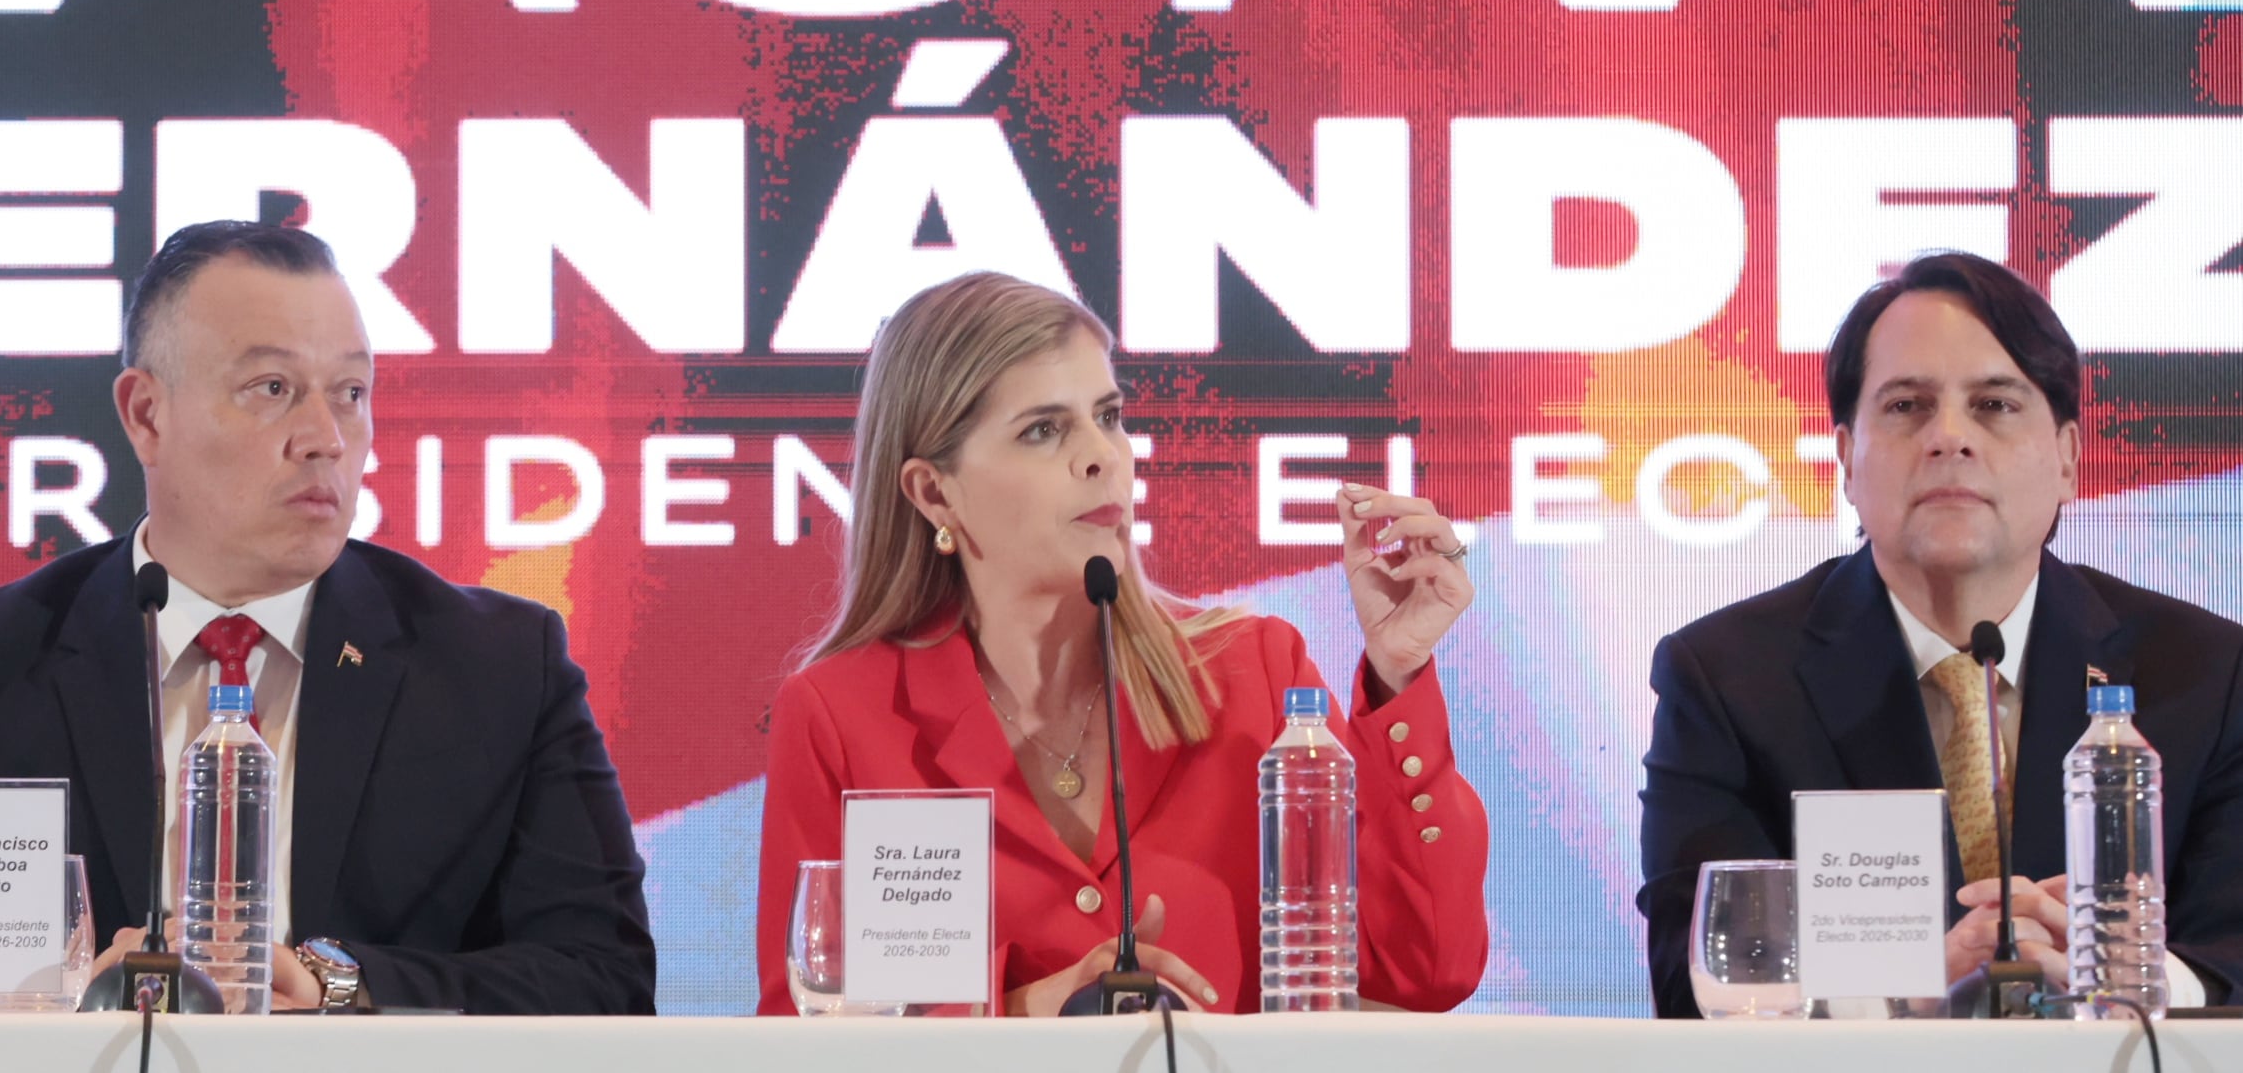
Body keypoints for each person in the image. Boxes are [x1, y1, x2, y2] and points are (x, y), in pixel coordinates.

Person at [0, 221, 656, 1013]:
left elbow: (605, 979)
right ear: (146, 414)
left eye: (350, 392)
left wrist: (338, 986)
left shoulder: (498, 666)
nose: (325, 436)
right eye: (272, 388)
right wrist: (57, 1001)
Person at [754, 272, 1489, 1015]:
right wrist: (1030, 1012)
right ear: (934, 493)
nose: (1103, 455)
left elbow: (1426, 973)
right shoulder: (842, 717)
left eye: (1108, 416)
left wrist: (1397, 673)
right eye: (1044, 430)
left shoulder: (1256, 672)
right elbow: (811, 1027)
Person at [1639, 250, 2243, 1016]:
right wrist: (1904, 993)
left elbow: (2233, 956)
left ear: (2068, 458)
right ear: (1846, 459)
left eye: (1994, 405)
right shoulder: (1728, 678)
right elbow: (1695, 985)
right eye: (1906, 406)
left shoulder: (2207, 674)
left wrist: (2133, 977)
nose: (1949, 438)